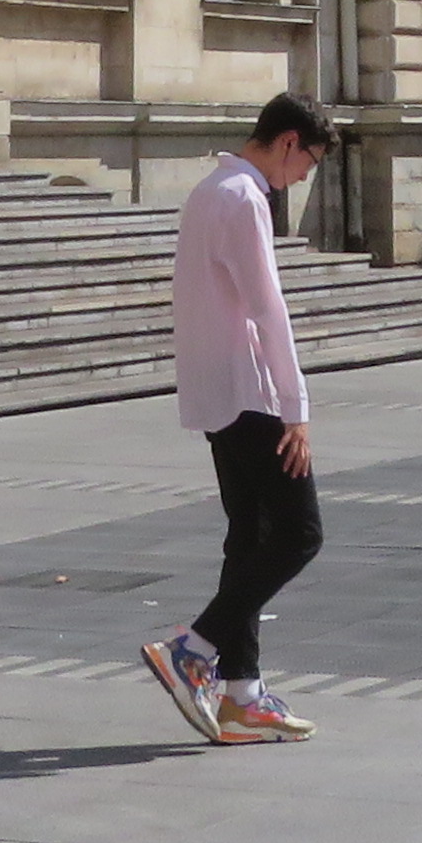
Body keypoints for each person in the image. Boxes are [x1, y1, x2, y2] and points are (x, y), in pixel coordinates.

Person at [142, 95, 334, 749]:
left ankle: (242, 694)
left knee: (249, 537)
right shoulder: (246, 197)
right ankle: (192, 650)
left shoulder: (208, 191)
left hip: (215, 389)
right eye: (308, 161)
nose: (302, 176)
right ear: (288, 141)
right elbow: (266, 307)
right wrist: (295, 407)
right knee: (299, 534)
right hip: (251, 391)